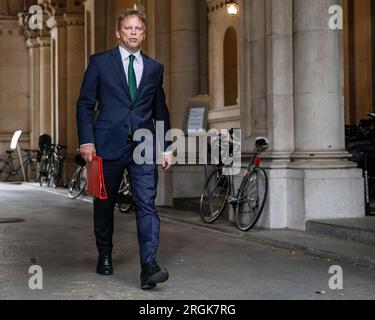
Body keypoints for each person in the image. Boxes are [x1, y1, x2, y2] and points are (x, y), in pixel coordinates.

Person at [76, 6, 172, 290]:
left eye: (139, 28)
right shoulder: (100, 62)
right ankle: (104, 253)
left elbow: (160, 111)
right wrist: (87, 140)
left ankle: (148, 266)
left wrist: (165, 146)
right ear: (119, 32)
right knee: (103, 203)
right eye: (128, 28)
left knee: (146, 204)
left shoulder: (154, 68)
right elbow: (85, 104)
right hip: (104, 146)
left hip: (143, 146)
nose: (134, 32)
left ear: (144, 34)